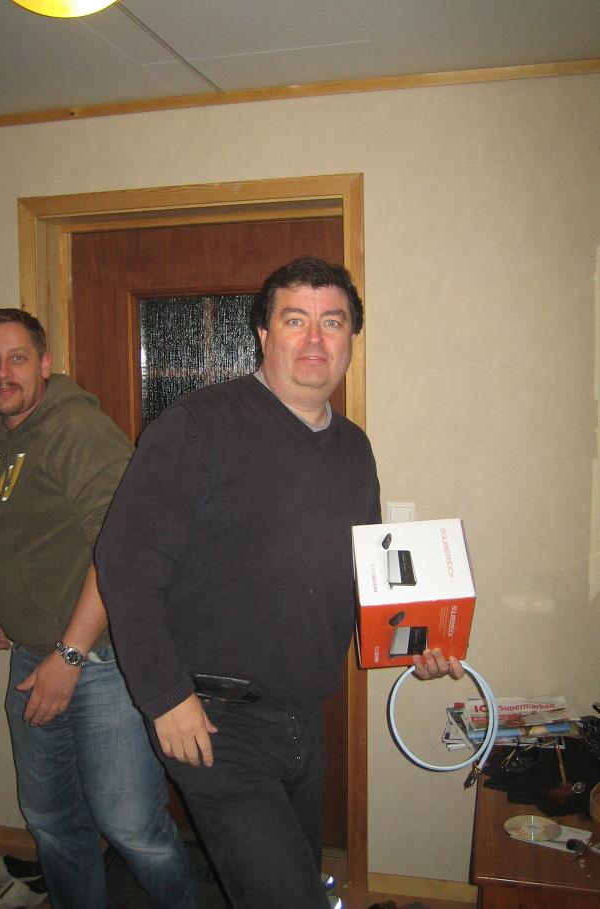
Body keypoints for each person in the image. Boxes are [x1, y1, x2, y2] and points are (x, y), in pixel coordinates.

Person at [95, 257, 463, 909]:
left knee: (296, 877)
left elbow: (364, 574)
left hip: (301, 718)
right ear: (263, 334)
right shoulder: (197, 427)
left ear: (351, 338)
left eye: (333, 322)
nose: (315, 338)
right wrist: (164, 696)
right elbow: (124, 562)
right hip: (213, 718)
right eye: (296, 320)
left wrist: (415, 642)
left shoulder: (354, 449)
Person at [0, 309, 197, 909]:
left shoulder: (77, 430)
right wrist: (3, 601)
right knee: (51, 822)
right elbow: (28, 538)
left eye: (17, 358)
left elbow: (120, 549)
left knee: (132, 828)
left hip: (96, 663)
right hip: (32, 657)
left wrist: (69, 655)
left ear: (45, 364)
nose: (3, 373)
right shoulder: (1, 437)